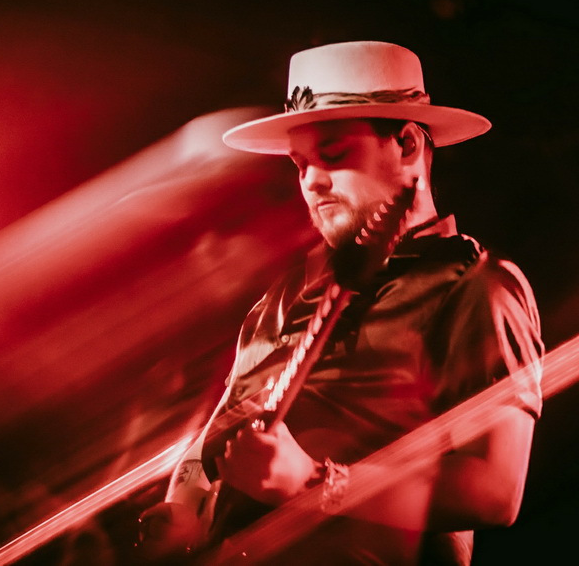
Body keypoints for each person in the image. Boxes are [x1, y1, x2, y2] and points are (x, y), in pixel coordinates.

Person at [137, 41, 544, 565]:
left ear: (406, 144)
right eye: (300, 163)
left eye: (333, 155)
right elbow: (214, 440)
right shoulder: (280, 298)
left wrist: (313, 481)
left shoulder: (476, 285)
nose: (311, 181)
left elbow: (496, 492)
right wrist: (185, 510)